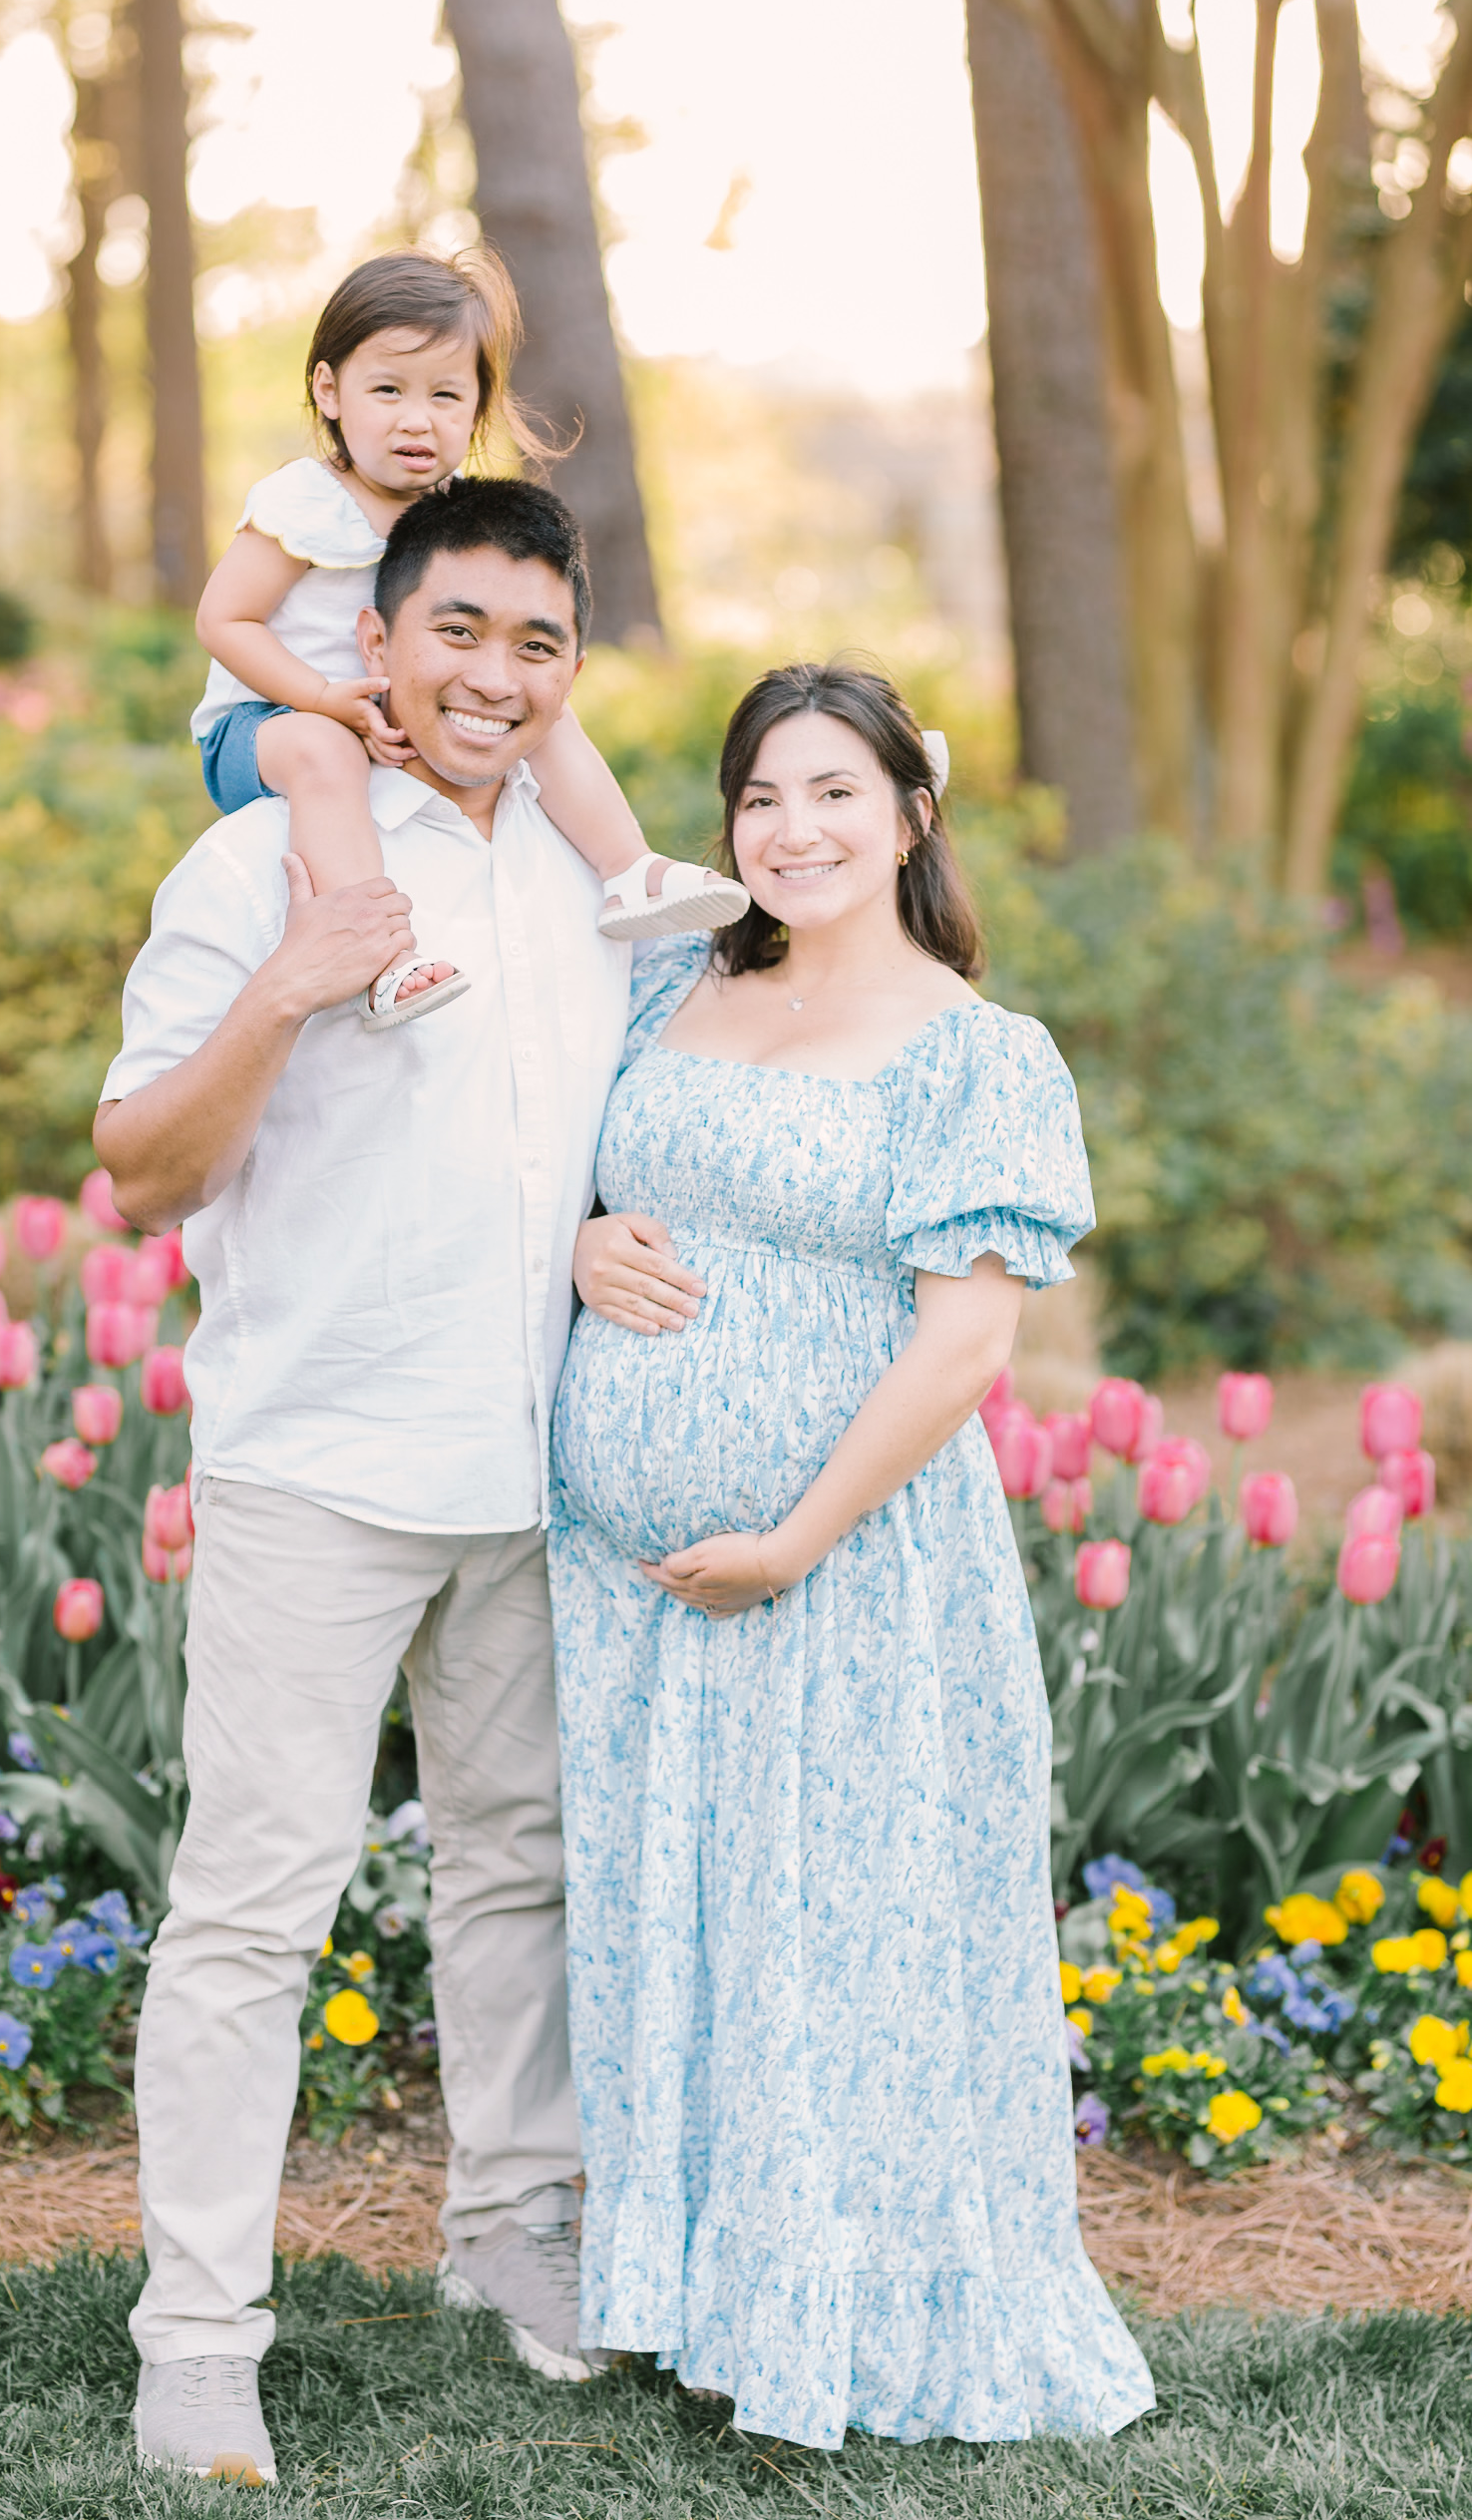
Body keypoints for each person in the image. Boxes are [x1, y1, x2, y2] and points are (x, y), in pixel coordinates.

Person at [548, 661, 1156, 2450]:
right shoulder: (675, 980)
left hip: (848, 1573)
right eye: (757, 798)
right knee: (695, 1927)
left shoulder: (976, 1052)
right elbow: (577, 1187)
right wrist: (583, 1247)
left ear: (907, 813)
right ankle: (703, 2294)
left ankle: (859, 2323)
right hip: (632, 1583)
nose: (790, 831)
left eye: (830, 793)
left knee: (846, 1945)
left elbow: (964, 1348)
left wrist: (791, 1541)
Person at [96, 477, 632, 2487]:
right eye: (460, 630)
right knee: (250, 1912)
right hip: (317, 1462)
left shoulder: (606, 886)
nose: (493, 673)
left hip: (536, 1473)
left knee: (522, 1873)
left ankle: (512, 2240)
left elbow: (641, 1132)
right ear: (378, 645)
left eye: (534, 642)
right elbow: (144, 1164)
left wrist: (599, 1232)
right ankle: (199, 2337)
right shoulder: (256, 861)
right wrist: (292, 983)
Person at [191, 245, 746, 1028]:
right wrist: (321, 700)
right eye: (386, 390)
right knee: (325, 753)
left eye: (446, 396)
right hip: (266, 725)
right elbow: (223, 620)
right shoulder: (304, 501)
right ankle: (379, 960)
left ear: (478, 406)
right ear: (329, 390)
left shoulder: (455, 517)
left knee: (541, 706)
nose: (416, 419)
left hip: (389, 710)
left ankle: (628, 871)